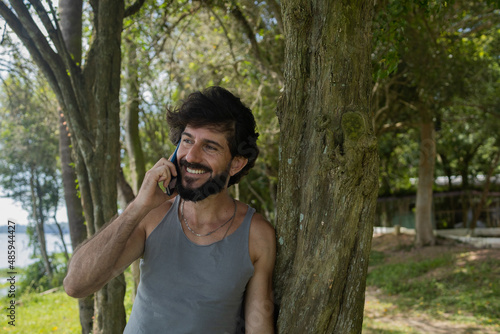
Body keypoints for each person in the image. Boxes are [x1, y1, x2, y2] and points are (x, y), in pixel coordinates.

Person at [63, 86, 276, 333]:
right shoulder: (151, 217)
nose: (191, 156)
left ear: (236, 163)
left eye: (210, 146)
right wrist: (138, 207)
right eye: (187, 141)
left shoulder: (257, 236)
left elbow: (259, 327)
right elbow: (75, 286)